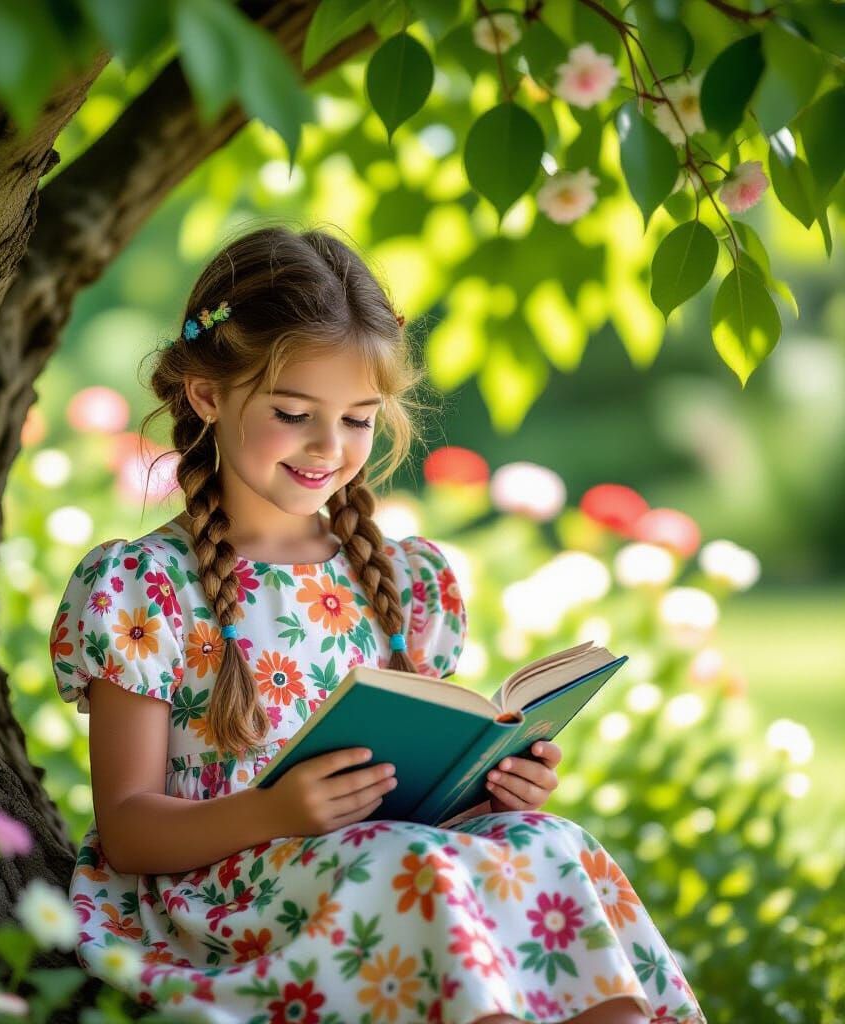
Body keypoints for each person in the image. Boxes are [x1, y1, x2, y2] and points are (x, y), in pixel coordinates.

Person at [49, 224, 707, 1023]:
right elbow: (128, 832)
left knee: (550, 842)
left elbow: (414, 791)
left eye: (359, 418)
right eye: (294, 413)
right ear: (207, 394)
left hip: (378, 864)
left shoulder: (400, 579)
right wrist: (277, 812)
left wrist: (493, 788)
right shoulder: (145, 587)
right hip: (223, 900)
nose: (330, 446)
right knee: (409, 867)